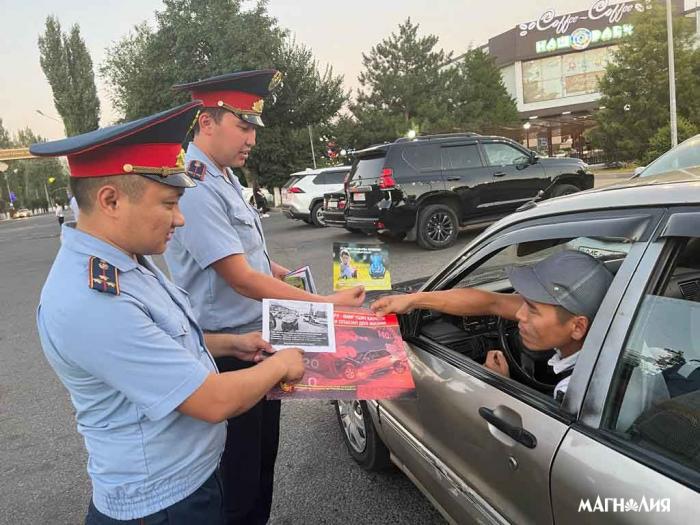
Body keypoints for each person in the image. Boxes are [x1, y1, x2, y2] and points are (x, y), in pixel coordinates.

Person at [30, 101, 305, 524]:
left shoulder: (127, 261)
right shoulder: (92, 299)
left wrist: (229, 343)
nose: (179, 219)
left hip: (186, 485)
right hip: (160, 506)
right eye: (168, 203)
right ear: (110, 200)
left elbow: (164, 338)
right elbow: (210, 401)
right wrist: (282, 363)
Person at [164, 70, 365, 525]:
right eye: (243, 125)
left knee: (261, 464)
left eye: (254, 127)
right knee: (237, 478)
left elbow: (251, 261)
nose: (252, 137)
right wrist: (324, 305)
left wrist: (283, 275)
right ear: (207, 121)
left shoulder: (225, 177)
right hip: (229, 351)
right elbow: (238, 278)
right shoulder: (195, 185)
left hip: (258, 339)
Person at [371, 250, 614, 400]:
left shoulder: (576, 392)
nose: (519, 314)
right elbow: (493, 302)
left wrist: (501, 384)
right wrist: (414, 300)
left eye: (532, 308)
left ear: (578, 327)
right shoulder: (608, 336)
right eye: (523, 302)